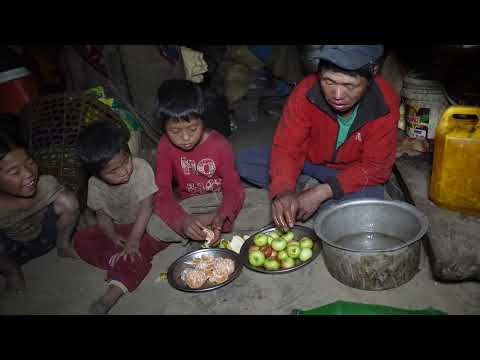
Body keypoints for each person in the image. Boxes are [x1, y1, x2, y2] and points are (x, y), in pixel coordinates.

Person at [235, 45, 399, 231]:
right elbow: (287, 147)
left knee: (372, 197)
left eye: (349, 86)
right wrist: (283, 191)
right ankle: (312, 192)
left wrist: (321, 192)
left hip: (348, 171)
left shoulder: (384, 102)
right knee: (246, 160)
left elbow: (376, 167)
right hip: (308, 162)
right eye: (328, 82)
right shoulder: (305, 91)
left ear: (373, 74)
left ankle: (316, 192)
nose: (337, 95)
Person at [146, 79, 268, 246]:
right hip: (192, 205)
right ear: (164, 127)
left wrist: (223, 213)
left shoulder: (219, 144)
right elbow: (163, 192)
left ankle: (210, 224)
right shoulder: (165, 146)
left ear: (203, 120)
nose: (186, 138)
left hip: (221, 198)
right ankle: (208, 225)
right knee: (154, 225)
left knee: (267, 203)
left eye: (193, 129)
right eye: (175, 131)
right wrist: (182, 222)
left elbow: (233, 188)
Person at [73, 121, 168, 315]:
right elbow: (102, 216)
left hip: (148, 222)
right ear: (97, 174)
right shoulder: (95, 185)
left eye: (126, 162)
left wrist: (133, 241)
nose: (124, 171)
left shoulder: (141, 168)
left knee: (145, 243)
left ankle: (112, 293)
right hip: (120, 228)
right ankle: (117, 260)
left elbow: (147, 206)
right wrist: (112, 237)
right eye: (113, 171)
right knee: (82, 240)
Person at [0, 117, 79, 293]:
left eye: (30, 162)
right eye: (14, 172)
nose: (29, 174)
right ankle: (11, 272)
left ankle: (63, 245)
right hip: (13, 251)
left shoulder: (45, 184)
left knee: (69, 201)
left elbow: (69, 204)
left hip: (45, 236)